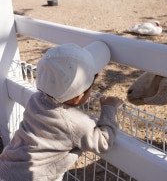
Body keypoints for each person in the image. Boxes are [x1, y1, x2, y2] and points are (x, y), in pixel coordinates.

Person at [0, 41, 123, 181]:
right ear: (77, 97)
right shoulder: (75, 122)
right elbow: (103, 142)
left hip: (6, 167)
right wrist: (109, 108)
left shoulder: (36, 99)